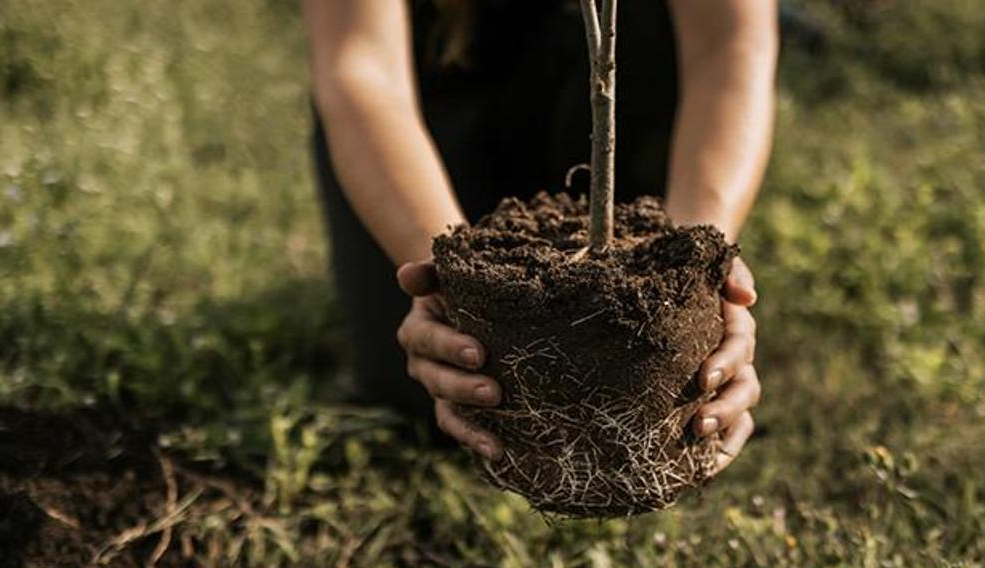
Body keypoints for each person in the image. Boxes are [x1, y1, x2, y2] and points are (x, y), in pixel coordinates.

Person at [304, 0, 775, 472]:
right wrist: (448, 278)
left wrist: (699, 260)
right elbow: (362, 67)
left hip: (616, 92)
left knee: (626, 344)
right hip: (438, 88)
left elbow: (728, 46)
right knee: (424, 390)